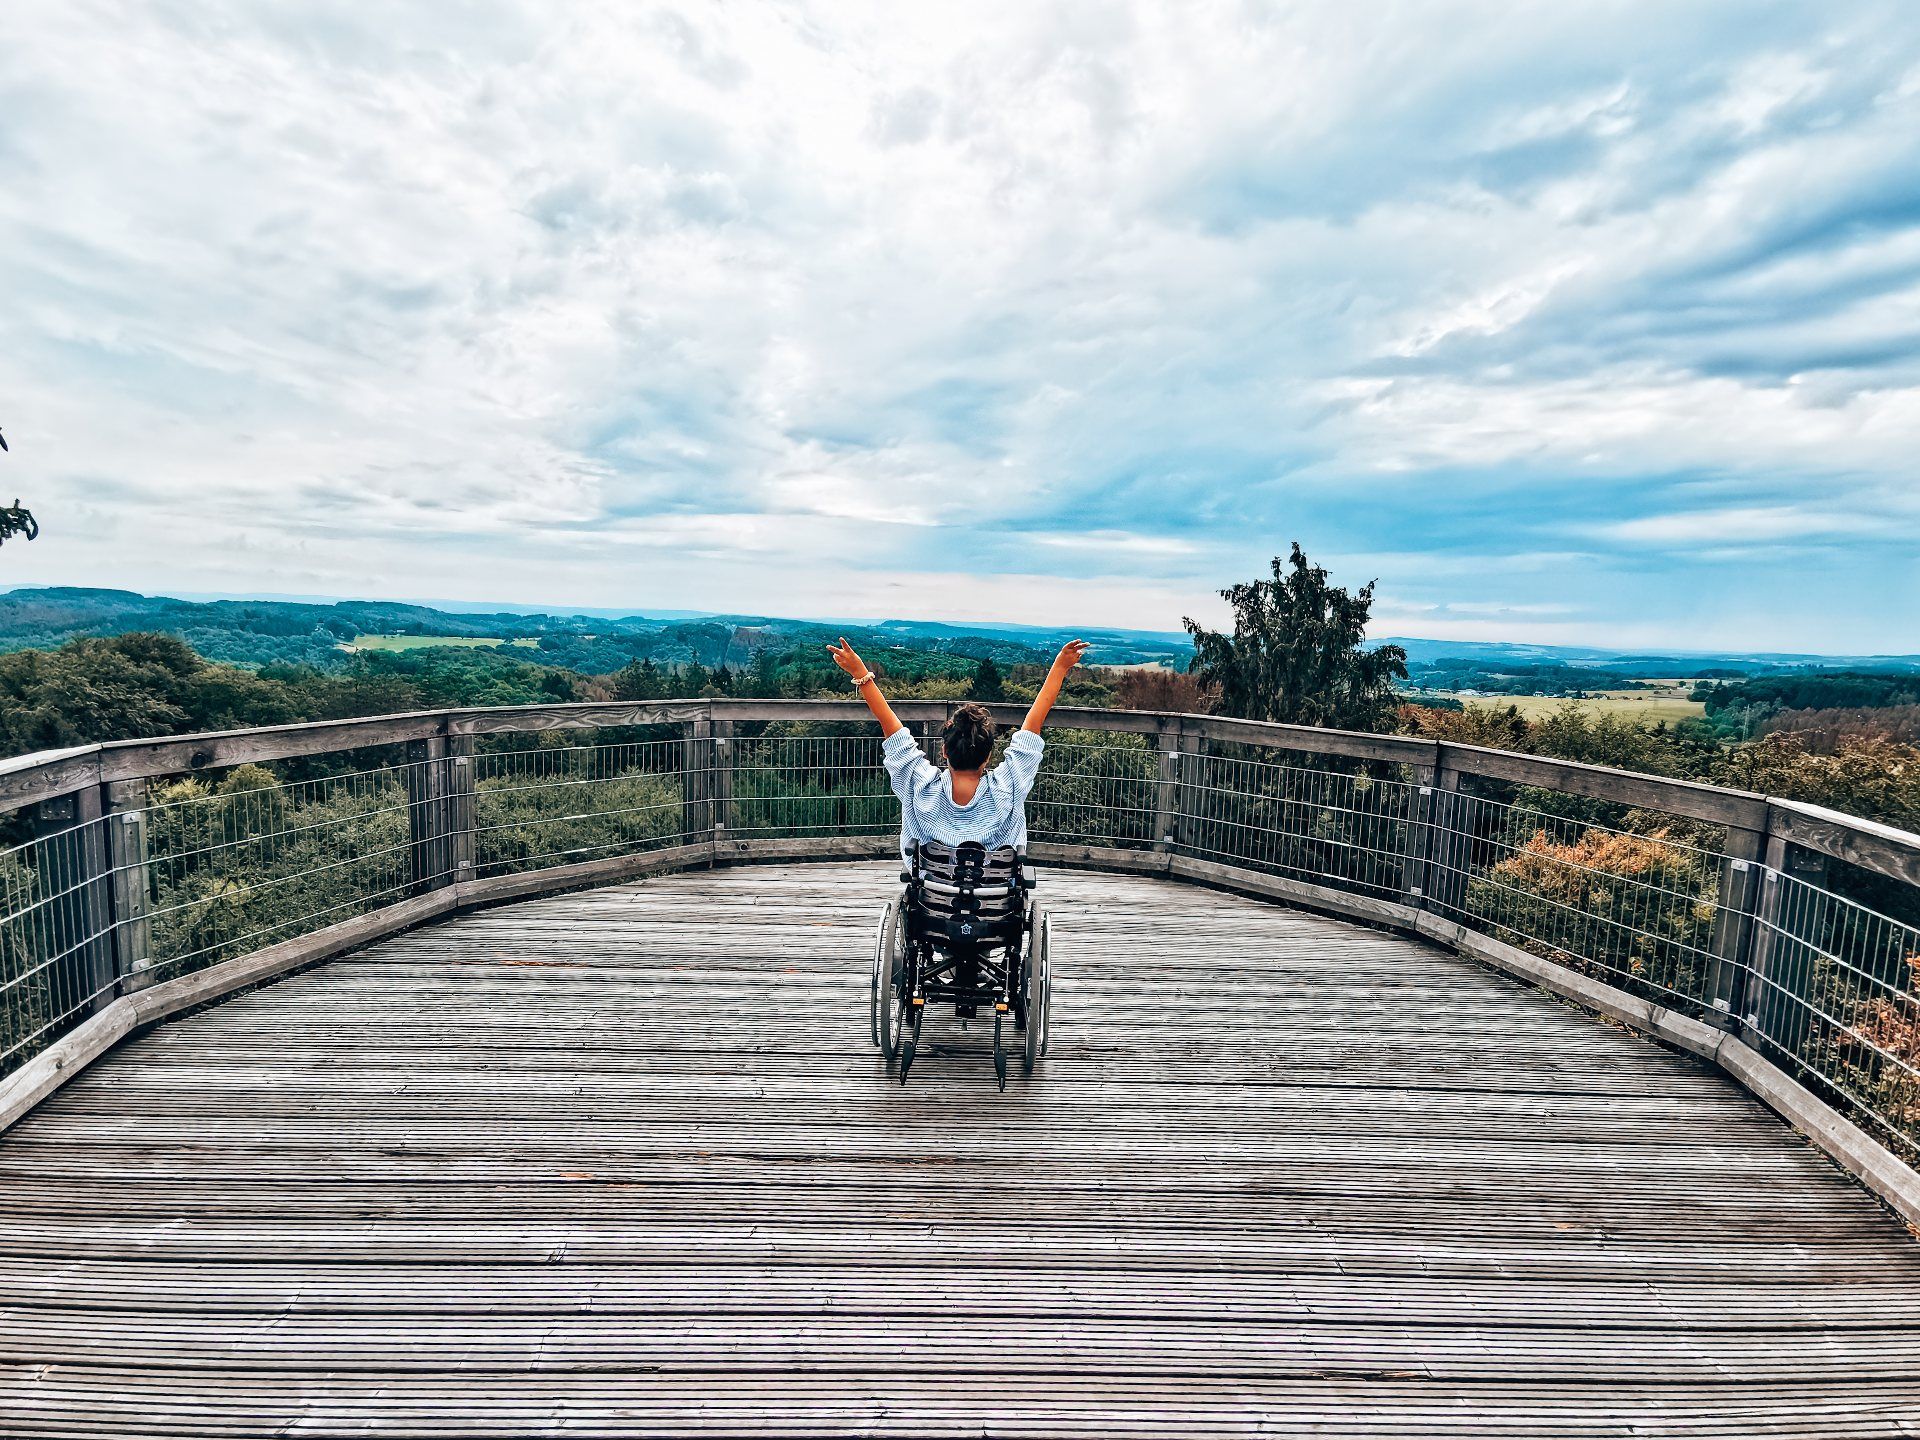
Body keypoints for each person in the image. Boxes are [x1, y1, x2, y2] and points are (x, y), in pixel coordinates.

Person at [826, 636, 1090, 868]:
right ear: (988, 756)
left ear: (944, 752)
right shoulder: (1009, 786)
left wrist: (861, 674)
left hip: (932, 899)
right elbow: (1034, 722)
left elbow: (890, 725)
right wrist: (1059, 667)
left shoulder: (920, 786)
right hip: (994, 901)